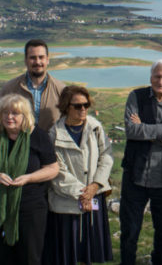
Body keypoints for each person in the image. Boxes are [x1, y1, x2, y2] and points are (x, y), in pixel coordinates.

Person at [0, 94, 59, 265]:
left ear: (25, 116)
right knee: (0, 255)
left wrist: (29, 178)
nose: (9, 117)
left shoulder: (38, 136)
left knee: (29, 256)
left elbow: (53, 168)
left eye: (15, 113)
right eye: (5, 112)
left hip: (30, 207)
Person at [120, 59, 162, 265]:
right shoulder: (136, 96)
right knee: (130, 231)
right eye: (157, 76)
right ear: (151, 77)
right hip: (135, 176)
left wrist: (146, 130)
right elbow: (131, 131)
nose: (160, 81)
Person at [43, 85, 114, 264]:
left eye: (86, 104)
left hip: (94, 196)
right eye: (78, 106)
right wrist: (84, 194)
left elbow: (106, 156)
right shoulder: (54, 134)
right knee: (69, 254)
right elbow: (58, 172)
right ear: (66, 107)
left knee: (90, 252)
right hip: (66, 202)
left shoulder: (95, 127)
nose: (83, 109)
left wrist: (96, 185)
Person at [0, 39, 65, 131]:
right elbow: (0, 121)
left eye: (41, 57)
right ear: (25, 60)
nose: (37, 62)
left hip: (49, 144)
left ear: (47, 60)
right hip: (17, 143)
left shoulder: (61, 89)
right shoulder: (9, 89)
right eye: (32, 58)